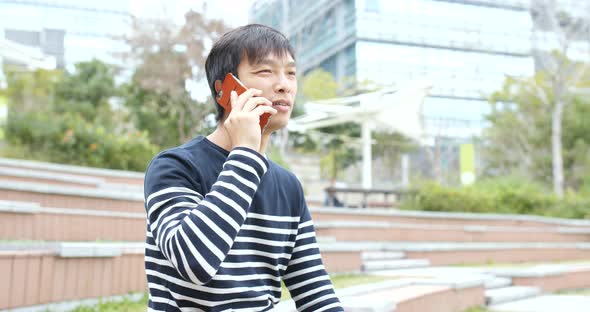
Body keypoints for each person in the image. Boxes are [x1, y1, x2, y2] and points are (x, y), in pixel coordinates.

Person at [143, 24, 343, 311]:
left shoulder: (288, 186)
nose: (284, 84)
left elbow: (316, 293)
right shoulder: (174, 167)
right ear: (225, 90)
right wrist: (246, 153)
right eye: (265, 71)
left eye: (291, 72)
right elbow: (195, 262)